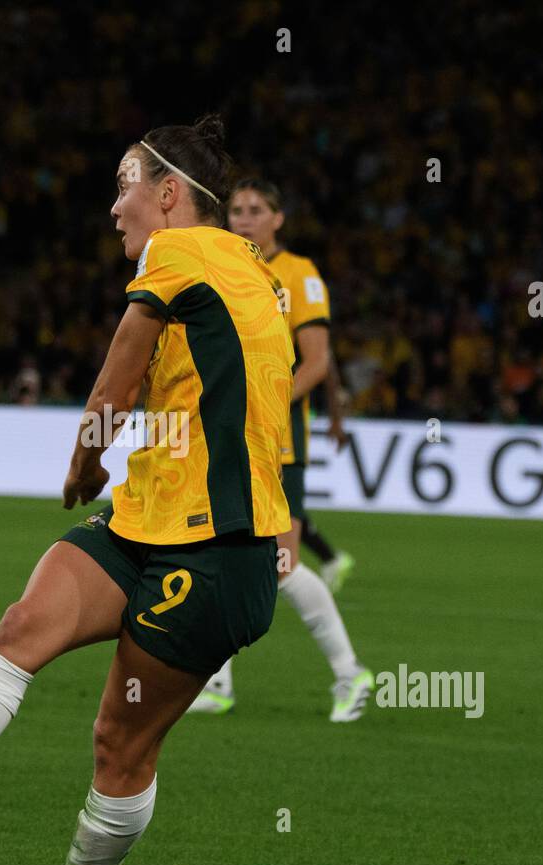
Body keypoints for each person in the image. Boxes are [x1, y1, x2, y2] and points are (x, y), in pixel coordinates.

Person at [0, 115, 295, 865]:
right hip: (148, 516)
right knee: (21, 627)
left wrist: (85, 463)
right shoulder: (249, 268)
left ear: (171, 194)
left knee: (119, 743)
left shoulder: (179, 249)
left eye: (124, 187)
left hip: (220, 550)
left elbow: (117, 374)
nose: (115, 208)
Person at [188, 179, 372, 722]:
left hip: (279, 441)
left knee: (281, 563)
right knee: (219, 551)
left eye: (255, 210)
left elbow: (316, 361)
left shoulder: (299, 274)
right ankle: (218, 681)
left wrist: (263, 403)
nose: (242, 219)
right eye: (235, 210)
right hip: (229, 437)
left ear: (278, 218)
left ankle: (350, 673)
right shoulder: (227, 268)